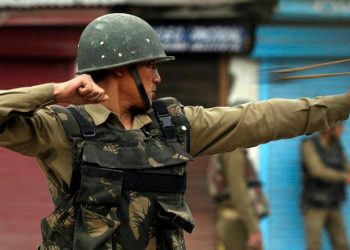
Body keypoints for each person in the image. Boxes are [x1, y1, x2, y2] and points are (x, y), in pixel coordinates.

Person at [0, 13, 349, 250]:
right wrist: (54, 92)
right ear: (121, 70)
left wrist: (341, 104)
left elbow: (258, 118)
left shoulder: (171, 126)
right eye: (151, 65)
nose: (158, 77)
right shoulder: (63, 129)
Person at [301, 122, 350, 250]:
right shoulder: (309, 145)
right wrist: (343, 177)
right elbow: (316, 170)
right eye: (340, 127)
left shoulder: (337, 145)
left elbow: (346, 166)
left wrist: (347, 174)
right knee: (314, 246)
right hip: (314, 203)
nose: (342, 130)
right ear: (330, 129)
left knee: (342, 244)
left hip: (334, 202)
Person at [209, 146, 268, 250]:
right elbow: (239, 193)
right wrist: (253, 228)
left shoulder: (225, 149)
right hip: (238, 223)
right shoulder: (233, 154)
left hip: (235, 221)